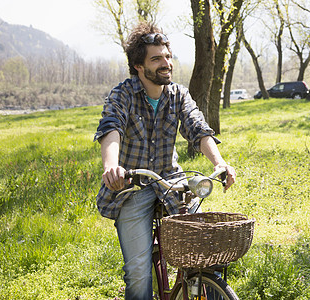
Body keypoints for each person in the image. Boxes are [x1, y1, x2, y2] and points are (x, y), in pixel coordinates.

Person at [94, 22, 236, 300]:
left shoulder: (178, 94)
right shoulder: (122, 94)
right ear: (138, 66)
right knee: (138, 272)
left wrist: (220, 162)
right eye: (156, 59)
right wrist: (112, 166)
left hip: (172, 183)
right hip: (132, 187)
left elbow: (198, 128)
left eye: (168, 57)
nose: (165, 63)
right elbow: (111, 128)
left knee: (204, 253)